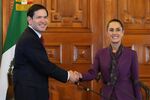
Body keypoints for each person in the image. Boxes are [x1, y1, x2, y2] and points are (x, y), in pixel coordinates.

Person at [13, 4, 79, 100]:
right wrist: (68, 76)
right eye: (39, 17)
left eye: (45, 17)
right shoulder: (29, 39)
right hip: (29, 93)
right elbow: (44, 65)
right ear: (29, 20)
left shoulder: (31, 36)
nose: (43, 21)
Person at [77, 19, 142, 100]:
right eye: (111, 30)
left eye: (118, 30)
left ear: (122, 32)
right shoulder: (100, 53)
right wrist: (78, 76)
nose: (114, 33)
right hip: (107, 96)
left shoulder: (132, 54)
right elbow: (92, 73)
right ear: (107, 33)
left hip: (126, 96)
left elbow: (136, 80)